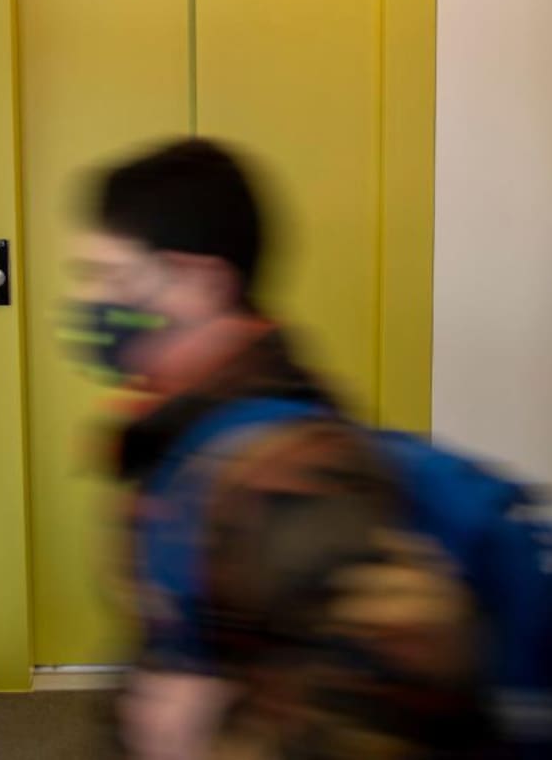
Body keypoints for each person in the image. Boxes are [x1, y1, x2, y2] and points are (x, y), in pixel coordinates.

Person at [68, 138, 495, 759]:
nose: (90, 301)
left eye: (111, 277)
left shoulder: (296, 470)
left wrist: (216, 738)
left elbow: (414, 694)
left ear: (199, 283)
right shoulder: (187, 437)